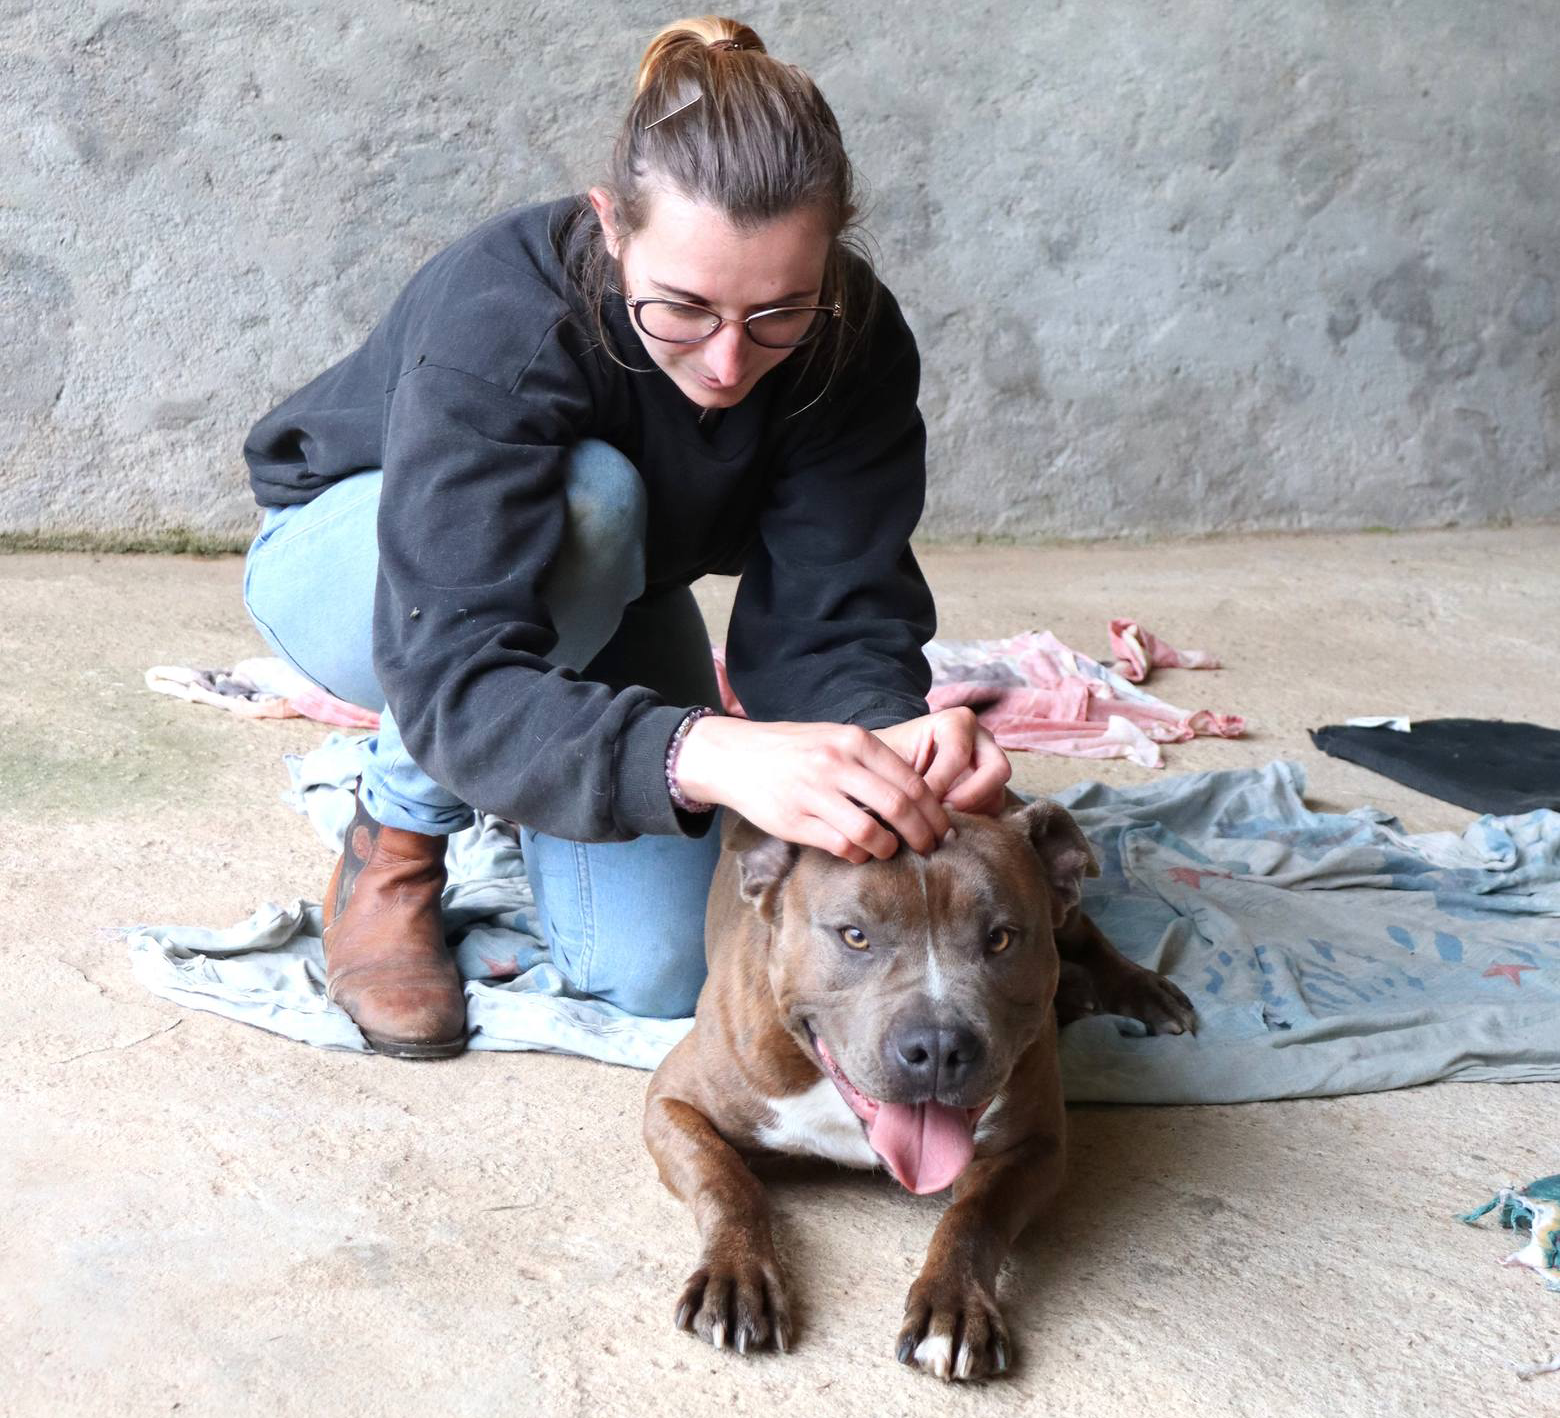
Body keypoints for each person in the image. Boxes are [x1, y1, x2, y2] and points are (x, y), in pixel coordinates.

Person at [240, 15, 1011, 1060]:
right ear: (612, 227)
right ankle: (399, 838)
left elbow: (837, 618)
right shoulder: (504, 313)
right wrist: (699, 749)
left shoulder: (852, 343)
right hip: (376, 574)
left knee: (660, 971)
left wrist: (885, 741)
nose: (731, 362)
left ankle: (537, 745)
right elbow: (454, 667)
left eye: (779, 313)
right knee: (597, 506)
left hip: (617, 588)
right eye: (683, 309)